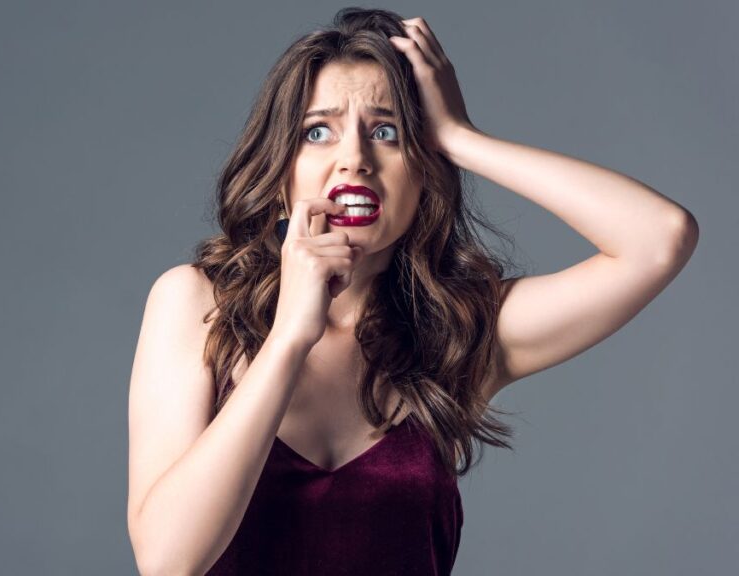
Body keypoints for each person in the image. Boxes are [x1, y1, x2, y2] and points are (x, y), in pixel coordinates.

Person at [126, 7, 698, 576]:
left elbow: (659, 238)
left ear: (424, 173)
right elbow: (168, 562)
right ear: (280, 171)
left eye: (387, 132)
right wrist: (288, 339)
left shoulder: (461, 336)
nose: (355, 158)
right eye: (317, 131)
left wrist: (461, 138)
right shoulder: (196, 305)